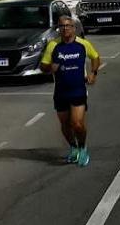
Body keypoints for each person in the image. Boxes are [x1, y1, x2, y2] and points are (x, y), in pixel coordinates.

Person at [40, 16, 101, 165]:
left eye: (68, 26)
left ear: (73, 28)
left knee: (77, 124)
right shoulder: (53, 45)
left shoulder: (83, 44)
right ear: (58, 29)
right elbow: (43, 67)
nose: (65, 28)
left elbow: (95, 57)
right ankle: (73, 148)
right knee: (65, 125)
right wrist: (50, 67)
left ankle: (83, 148)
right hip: (60, 92)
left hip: (78, 90)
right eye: (62, 26)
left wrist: (93, 73)